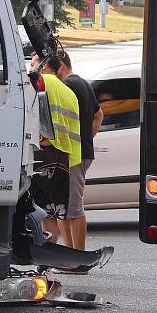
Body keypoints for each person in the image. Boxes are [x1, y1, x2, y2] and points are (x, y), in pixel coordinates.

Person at [29, 53, 82, 245]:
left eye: (33, 63)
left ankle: (43, 259)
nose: (30, 67)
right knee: (51, 214)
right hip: (64, 159)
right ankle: (48, 261)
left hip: (44, 155)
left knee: (40, 212)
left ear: (43, 66)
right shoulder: (68, 91)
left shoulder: (40, 81)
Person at [56, 50, 103, 253]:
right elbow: (99, 115)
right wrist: (88, 139)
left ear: (61, 66)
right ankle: (70, 255)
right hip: (82, 151)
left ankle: (78, 257)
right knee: (64, 207)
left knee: (73, 207)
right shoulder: (83, 83)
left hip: (74, 154)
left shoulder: (67, 86)